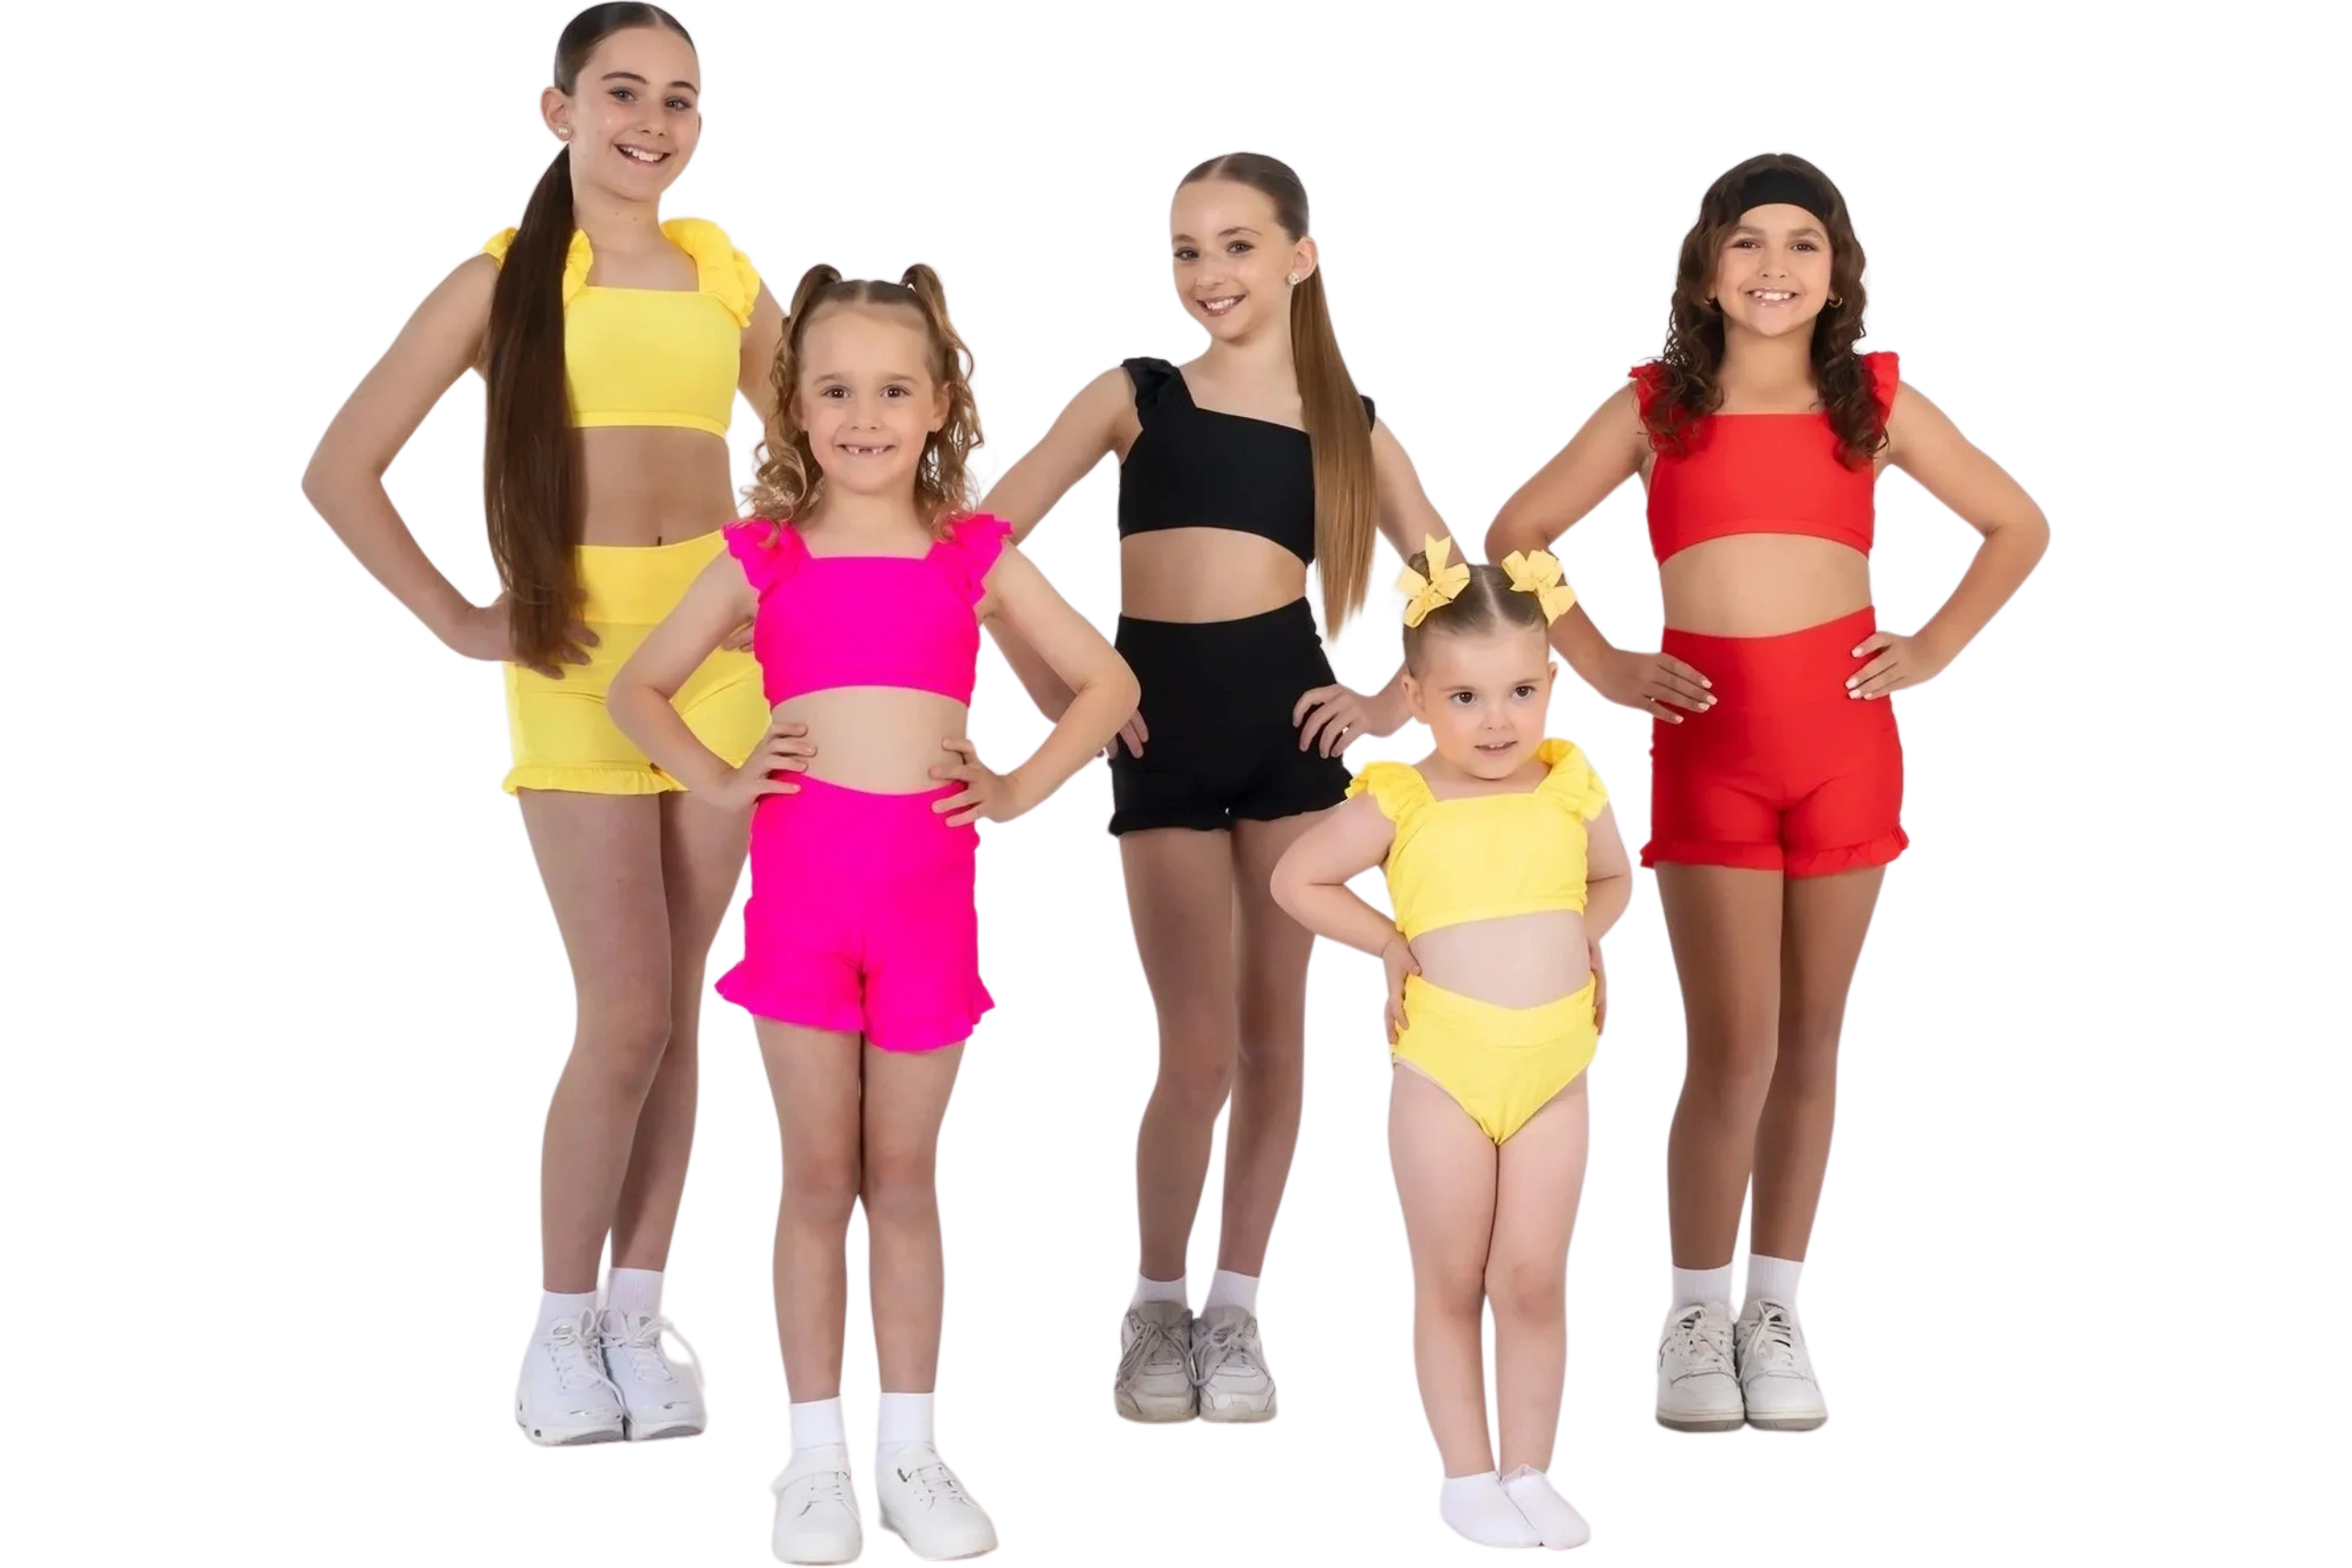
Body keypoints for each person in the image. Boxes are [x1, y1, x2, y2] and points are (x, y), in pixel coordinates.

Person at [1482, 150, 2055, 1436]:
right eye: (1748, 242)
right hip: (1708, 744)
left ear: (1839, 272)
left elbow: (2017, 524)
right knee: (1729, 1044)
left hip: (1846, 743)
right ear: (1705, 269)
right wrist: (1602, 662)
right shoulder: (1654, 403)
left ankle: (1778, 1305)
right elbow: (1516, 534)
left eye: (1804, 243)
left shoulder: (1875, 399)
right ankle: (1694, 1311)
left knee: (1812, 1041)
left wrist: (1933, 646)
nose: (1775, 266)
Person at [296, 0, 792, 1449]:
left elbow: (824, 433)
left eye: (681, 99)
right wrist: (463, 619)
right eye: (624, 93)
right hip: (575, 659)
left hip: (718, 662)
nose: (654, 123)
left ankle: (643, 1302)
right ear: (557, 110)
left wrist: (777, 554)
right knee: (623, 1005)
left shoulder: (722, 266)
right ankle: (557, 1325)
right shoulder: (503, 276)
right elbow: (341, 466)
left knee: (681, 997)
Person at [612, 259, 1137, 1562]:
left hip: (928, 911)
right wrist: (720, 780)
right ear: (793, 405)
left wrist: (1016, 788)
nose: (863, 415)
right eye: (836, 390)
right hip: (801, 901)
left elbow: (1108, 683)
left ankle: (911, 1450)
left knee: (904, 1182)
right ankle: (808, 1460)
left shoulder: (973, 551)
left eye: (893, 390)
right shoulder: (762, 553)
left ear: (942, 400)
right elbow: (638, 689)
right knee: (814, 1179)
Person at [978, 147, 1463, 1427]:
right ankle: (1155, 1307)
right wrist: (1067, 700)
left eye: (1236, 245)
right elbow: (978, 548)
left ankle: (1236, 1309)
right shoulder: (1133, 391)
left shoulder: (1347, 421)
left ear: (1300, 256)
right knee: (1192, 1044)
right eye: (1186, 249)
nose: (1207, 272)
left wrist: (1390, 701)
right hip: (1161, 737)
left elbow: (1450, 584)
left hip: (1289, 734)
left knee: (1274, 1039)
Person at [1270, 539, 1619, 1552]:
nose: (1497, 720)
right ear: (1417, 698)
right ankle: (1465, 1476)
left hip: (1554, 1066)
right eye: (1465, 698)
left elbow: (1613, 879)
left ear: (1550, 682)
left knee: (1534, 1278)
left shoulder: (1570, 781)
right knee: (1453, 1276)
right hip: (1446, 1069)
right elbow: (1297, 879)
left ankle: (1533, 1468)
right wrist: (1387, 945)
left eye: (1519, 691)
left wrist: (1585, 940)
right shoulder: (1401, 796)